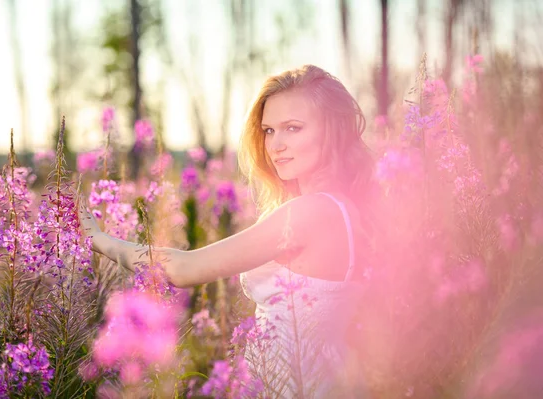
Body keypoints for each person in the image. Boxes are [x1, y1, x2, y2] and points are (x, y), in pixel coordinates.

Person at [79, 64, 374, 398]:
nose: (275, 145)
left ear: (332, 131)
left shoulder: (308, 213)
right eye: (269, 130)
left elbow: (180, 268)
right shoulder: (345, 208)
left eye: (293, 128)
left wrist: (99, 240)